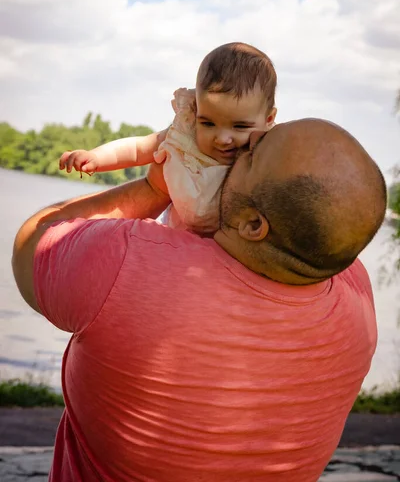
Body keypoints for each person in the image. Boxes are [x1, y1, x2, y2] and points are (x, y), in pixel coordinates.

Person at [12, 119, 386, 482]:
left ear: (254, 225)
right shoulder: (359, 304)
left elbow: (32, 242)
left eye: (255, 154)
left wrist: (159, 185)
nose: (248, 139)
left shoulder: (130, 263)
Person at [59, 42, 277, 233]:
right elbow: (138, 148)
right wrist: (96, 158)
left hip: (233, 254)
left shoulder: (272, 153)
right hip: (176, 241)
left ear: (269, 119)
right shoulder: (185, 136)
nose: (222, 138)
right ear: (197, 110)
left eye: (240, 126)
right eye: (208, 123)